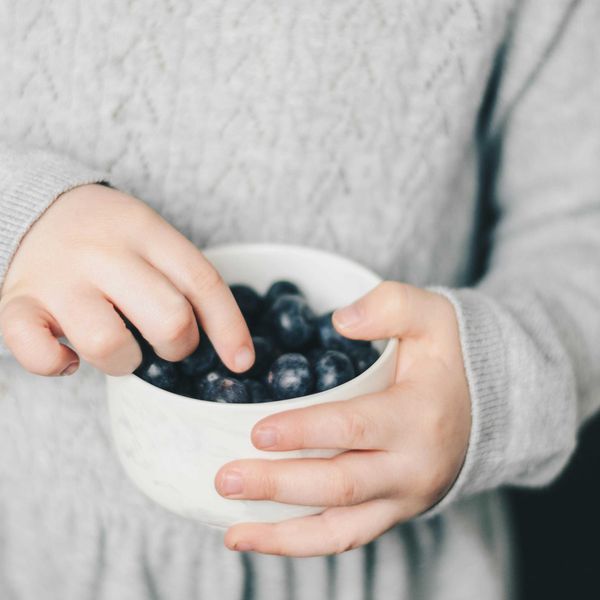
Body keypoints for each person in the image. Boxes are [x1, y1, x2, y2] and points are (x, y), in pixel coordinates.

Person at [0, 0, 598, 598]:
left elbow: (579, 232)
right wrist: (13, 222)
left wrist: (490, 385)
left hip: (396, 570)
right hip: (34, 551)